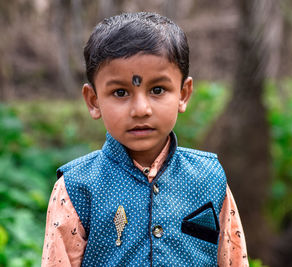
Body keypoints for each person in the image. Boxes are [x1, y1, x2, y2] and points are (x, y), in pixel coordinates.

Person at [41, 12, 248, 266]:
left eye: (157, 90)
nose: (141, 109)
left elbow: (233, 259)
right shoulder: (76, 188)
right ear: (94, 101)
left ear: (183, 94)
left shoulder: (209, 178)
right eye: (120, 92)